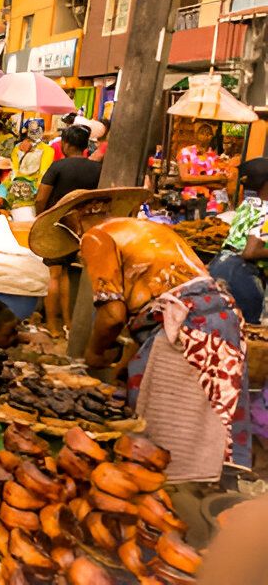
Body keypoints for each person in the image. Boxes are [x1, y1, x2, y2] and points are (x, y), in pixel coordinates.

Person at [30, 187, 251, 481]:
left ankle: (165, 484)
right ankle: (206, 483)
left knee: (165, 425)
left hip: (187, 327)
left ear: (74, 221)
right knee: (208, 415)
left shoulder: (96, 237)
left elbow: (112, 315)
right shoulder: (147, 228)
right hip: (221, 317)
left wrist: (95, 353)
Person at [34, 124, 103, 335]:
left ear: (65, 143)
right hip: (84, 227)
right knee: (67, 275)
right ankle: (70, 324)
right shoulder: (97, 169)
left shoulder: (58, 167)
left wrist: (42, 217)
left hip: (58, 225)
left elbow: (40, 198)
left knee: (54, 275)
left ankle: (53, 327)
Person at [208, 158, 268, 323]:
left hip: (219, 264)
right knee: (247, 330)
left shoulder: (248, 205)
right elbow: (250, 252)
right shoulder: (266, 211)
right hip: (239, 273)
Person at [177, 120, 230, 214]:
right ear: (196, 134)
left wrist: (197, 180)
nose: (205, 136)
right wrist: (213, 179)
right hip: (190, 199)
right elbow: (184, 178)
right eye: (202, 132)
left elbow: (221, 183)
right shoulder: (185, 152)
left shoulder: (214, 157)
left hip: (211, 201)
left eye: (209, 133)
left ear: (212, 136)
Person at [9, 121, 54, 221]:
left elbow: (13, 171)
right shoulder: (47, 150)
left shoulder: (17, 148)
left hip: (14, 194)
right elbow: (43, 174)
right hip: (31, 198)